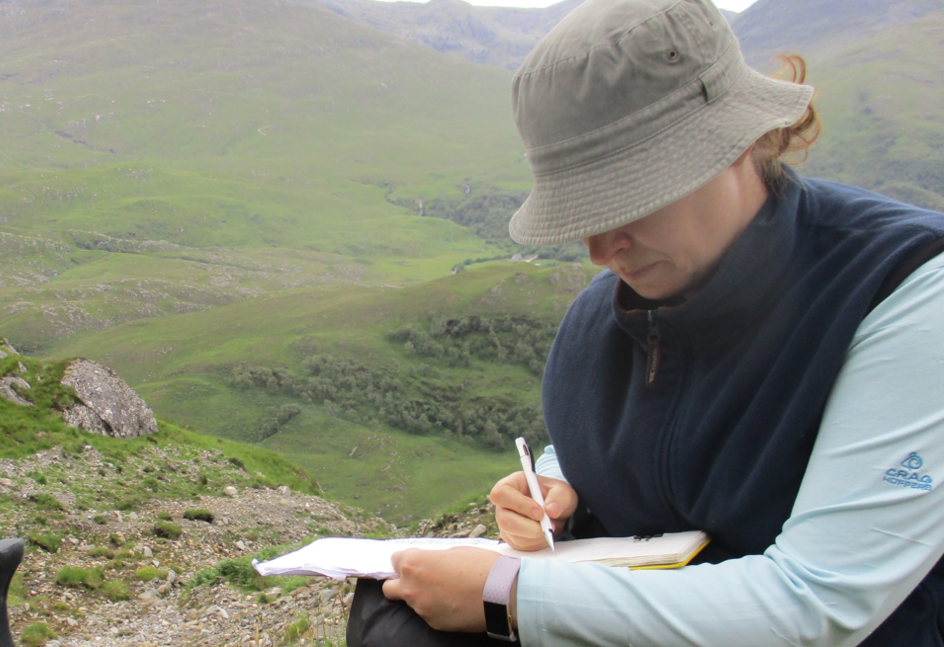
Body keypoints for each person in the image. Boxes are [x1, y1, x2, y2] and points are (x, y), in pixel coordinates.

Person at [346, 0, 944, 645]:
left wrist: (507, 594)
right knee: (392, 611)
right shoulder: (603, 315)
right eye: (583, 213)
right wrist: (556, 489)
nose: (601, 251)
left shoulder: (903, 289)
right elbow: (595, 445)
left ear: (741, 140)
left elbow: (817, 602)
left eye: (632, 198)